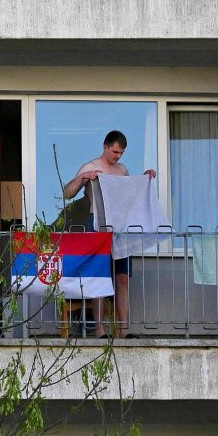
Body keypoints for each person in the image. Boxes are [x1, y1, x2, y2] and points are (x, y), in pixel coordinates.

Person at [62, 130, 155, 337]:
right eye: (115, 152)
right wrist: (84, 177)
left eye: (121, 153)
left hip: (120, 227)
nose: (118, 156)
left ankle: (123, 330)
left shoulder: (122, 170)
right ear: (105, 147)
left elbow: (130, 194)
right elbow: (67, 193)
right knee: (100, 277)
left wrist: (145, 178)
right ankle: (100, 330)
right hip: (98, 225)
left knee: (122, 278)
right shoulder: (91, 166)